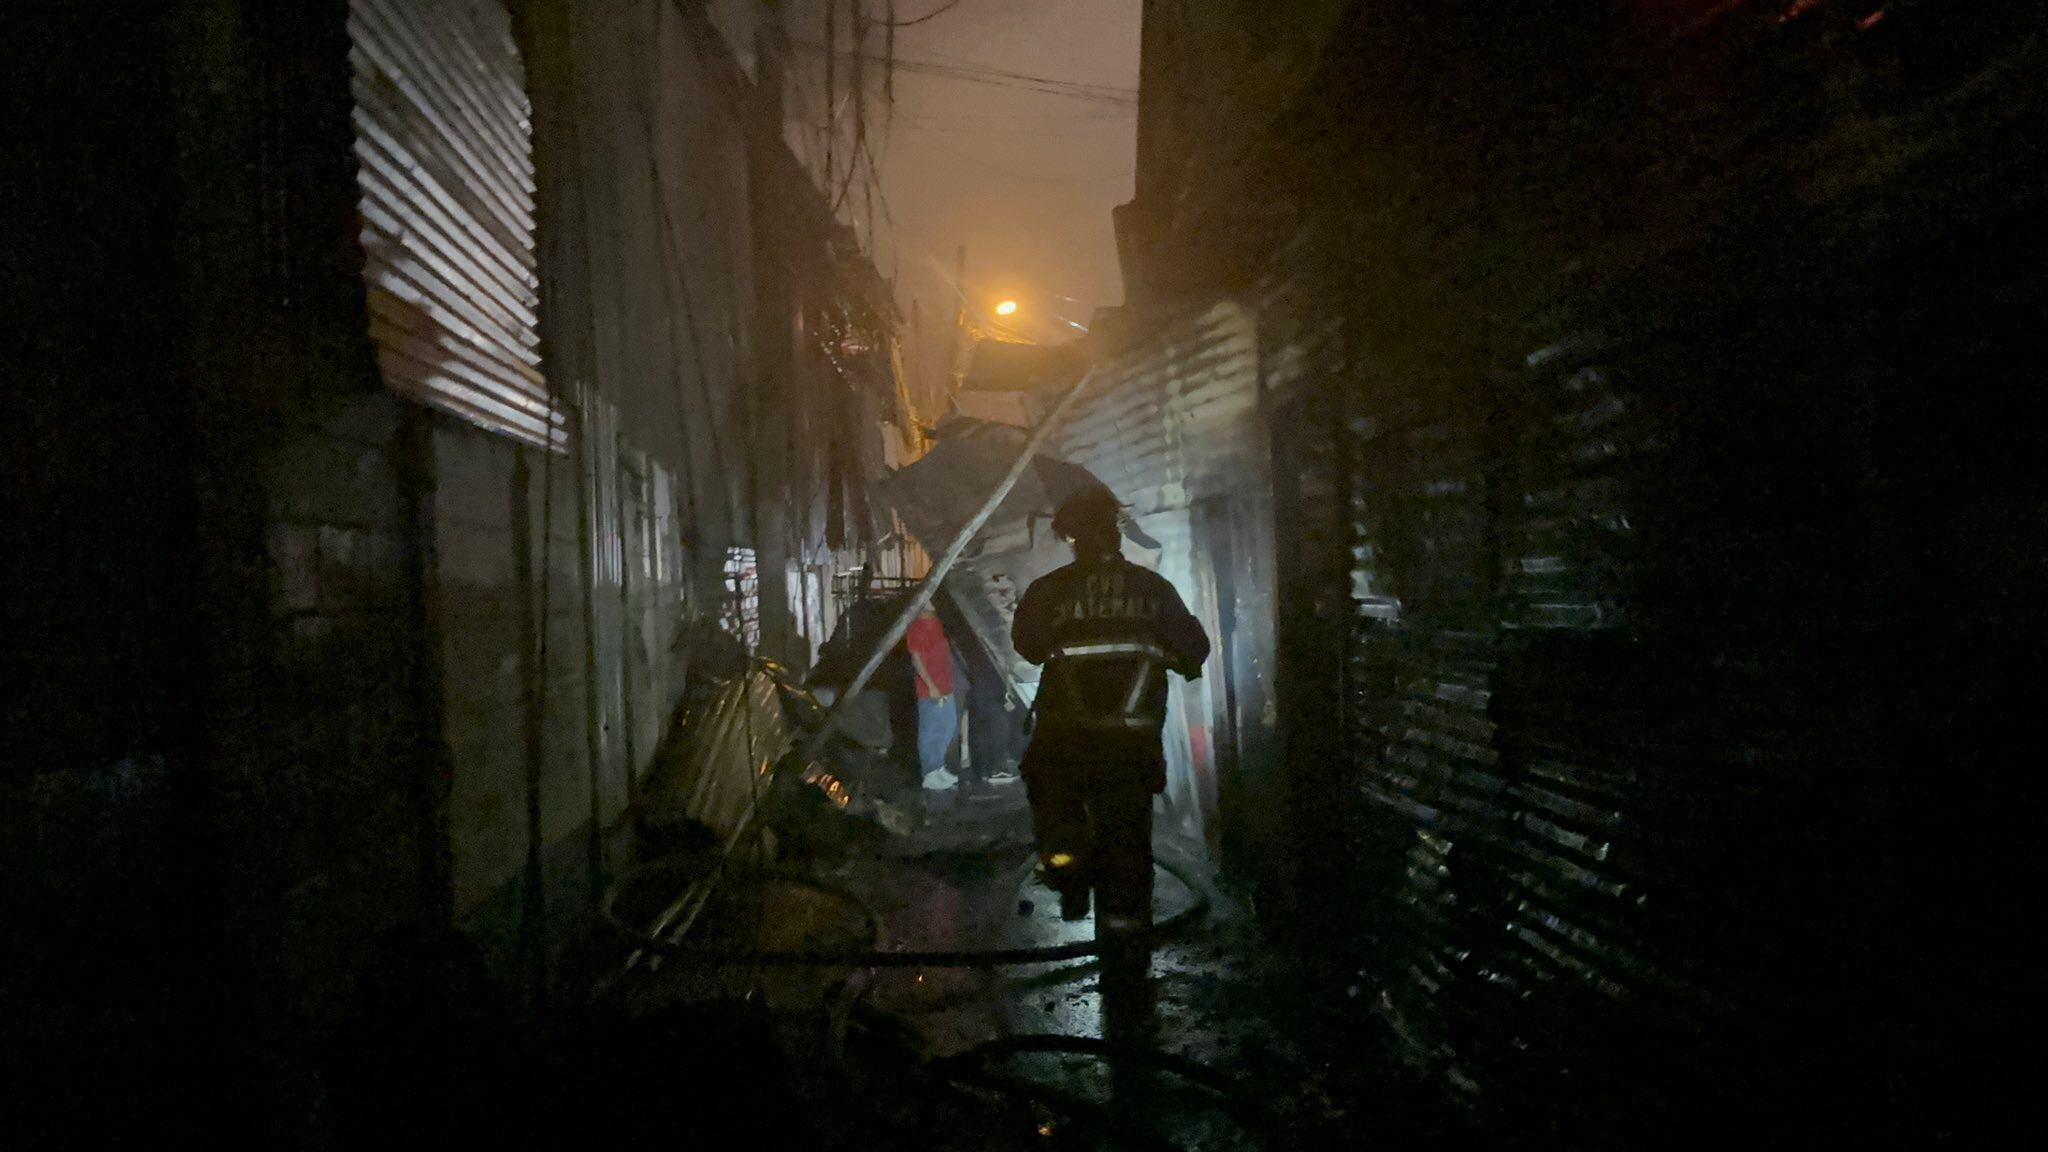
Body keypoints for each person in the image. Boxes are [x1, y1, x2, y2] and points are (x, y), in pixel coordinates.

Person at [1012, 489, 1210, 929]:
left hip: (1065, 744)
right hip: (1131, 746)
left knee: (1053, 805)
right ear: (1115, 533)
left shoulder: (1048, 592)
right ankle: (1128, 939)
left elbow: (1027, 646)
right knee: (1128, 839)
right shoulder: (1154, 590)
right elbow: (1195, 649)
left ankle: (1068, 874)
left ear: (1072, 538)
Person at [905, 603, 960, 791]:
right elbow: (917, 660)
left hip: (945, 685)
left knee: (948, 725)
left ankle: (938, 767)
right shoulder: (916, 629)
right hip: (930, 690)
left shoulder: (937, 623)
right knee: (931, 730)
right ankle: (929, 772)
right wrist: (930, 685)